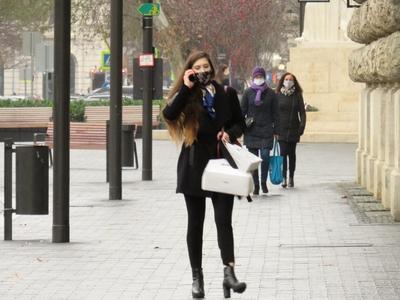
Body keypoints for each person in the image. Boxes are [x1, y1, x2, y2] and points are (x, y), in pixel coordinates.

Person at [162, 51, 247, 299]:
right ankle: (196, 277)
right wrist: (187, 88)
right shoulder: (187, 95)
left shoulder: (227, 94)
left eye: (205, 66)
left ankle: (228, 273)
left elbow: (240, 123)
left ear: (212, 68)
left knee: (223, 220)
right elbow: (168, 115)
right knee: (195, 223)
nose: (202, 71)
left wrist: (229, 132)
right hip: (194, 165)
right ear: (190, 71)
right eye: (197, 67)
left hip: (222, 163)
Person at [240, 66, 280, 195]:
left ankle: (263, 182)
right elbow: (242, 111)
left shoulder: (271, 93)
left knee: (265, 156)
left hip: (266, 130)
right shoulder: (247, 93)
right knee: (253, 160)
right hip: (251, 130)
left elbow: (275, 113)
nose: (258, 79)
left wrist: (276, 130)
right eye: (256, 76)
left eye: (260, 76)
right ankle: (256, 184)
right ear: (253, 77)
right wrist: (241, 126)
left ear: (264, 77)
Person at [275, 72, 306, 188]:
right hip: (281, 130)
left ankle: (291, 177)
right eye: (286, 79)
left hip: (294, 129)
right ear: (283, 80)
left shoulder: (297, 95)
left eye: (290, 79)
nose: (288, 81)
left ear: (294, 82)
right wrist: (274, 128)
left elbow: (302, 113)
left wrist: (302, 127)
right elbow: (274, 113)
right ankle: (283, 177)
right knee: (283, 154)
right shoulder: (277, 94)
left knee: (291, 154)